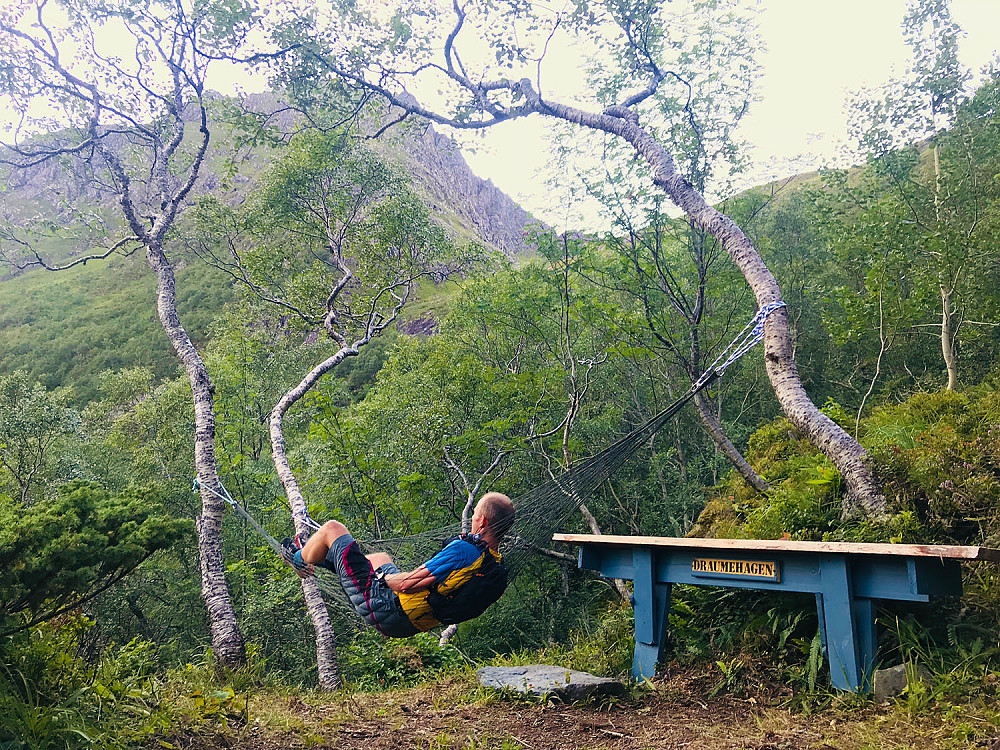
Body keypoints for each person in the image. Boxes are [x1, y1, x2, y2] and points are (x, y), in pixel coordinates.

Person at [280, 492, 515, 638]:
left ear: (482, 521)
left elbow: (406, 584)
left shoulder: (465, 551)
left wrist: (381, 579)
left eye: (474, 515)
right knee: (379, 558)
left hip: (387, 608)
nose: (472, 518)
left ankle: (298, 558)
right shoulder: (493, 563)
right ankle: (320, 554)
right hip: (414, 622)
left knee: (332, 528)